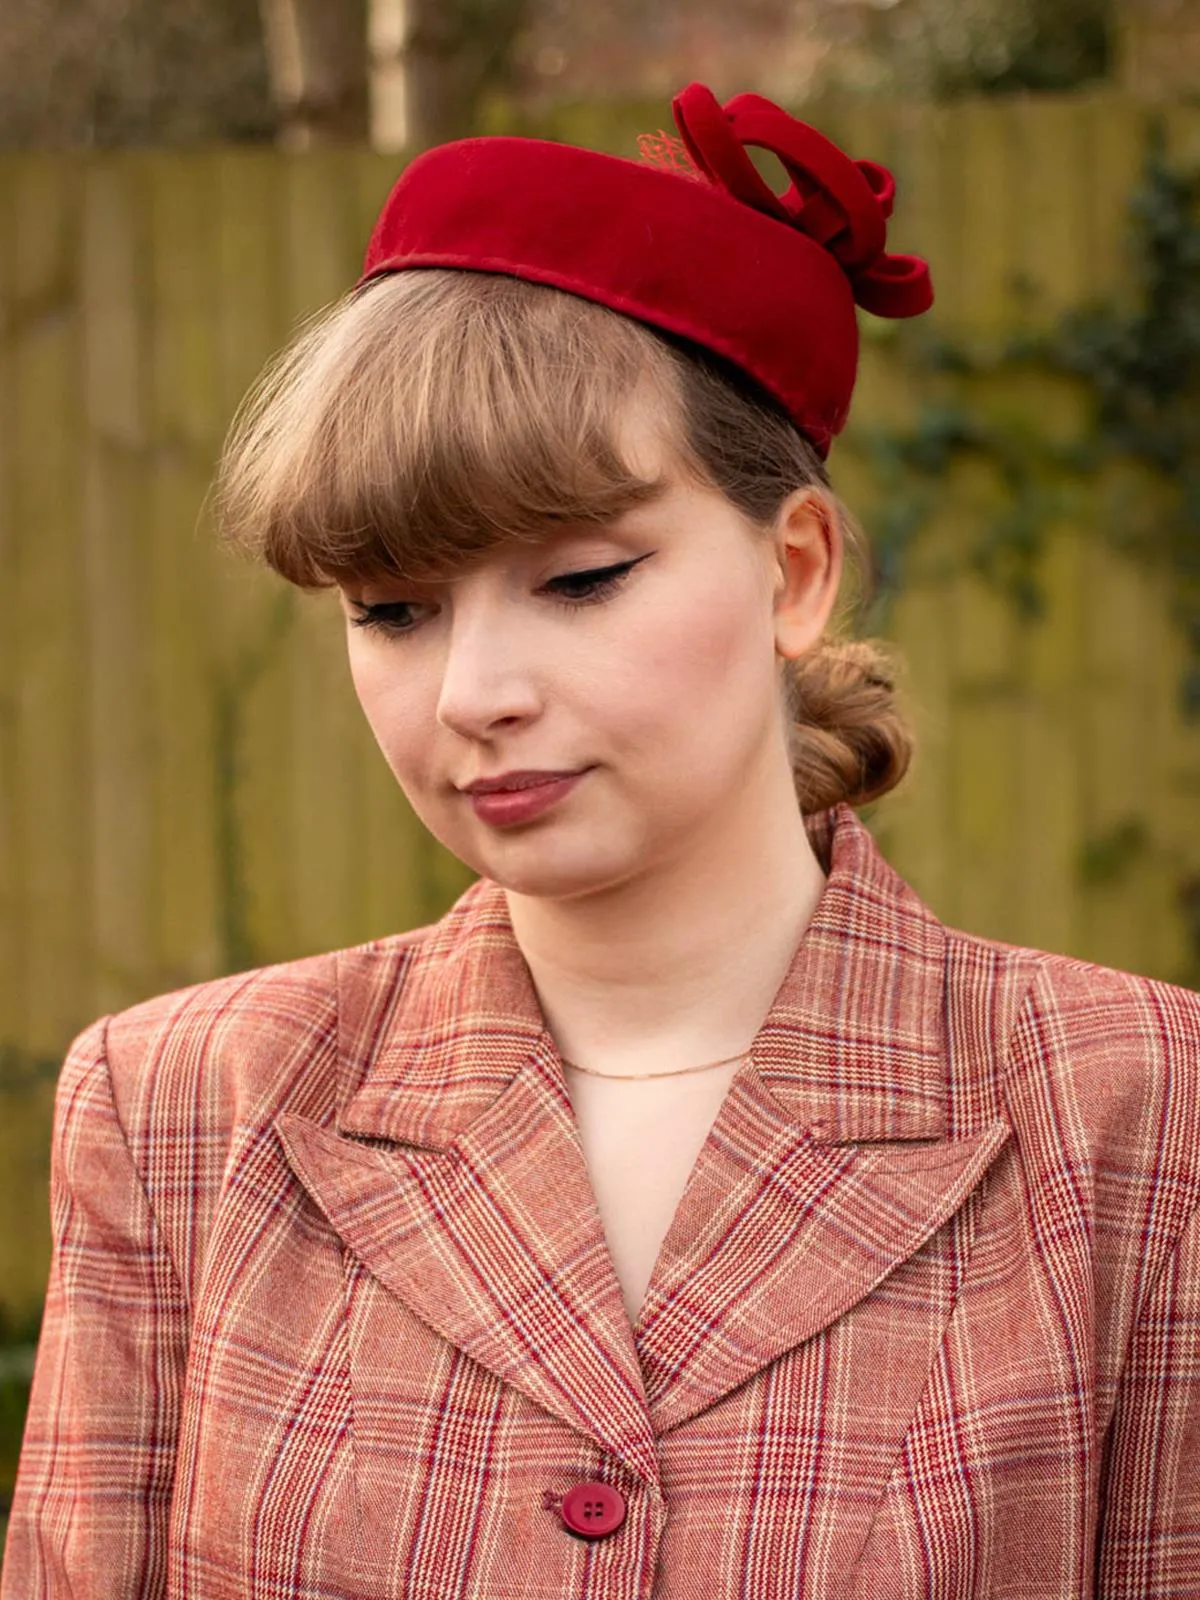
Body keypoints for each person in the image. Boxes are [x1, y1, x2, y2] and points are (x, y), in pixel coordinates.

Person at [2, 80, 1198, 1600]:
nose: (474, 694)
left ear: (797, 570)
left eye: (578, 580)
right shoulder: (182, 1112)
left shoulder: (1140, 1120)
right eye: (394, 610)